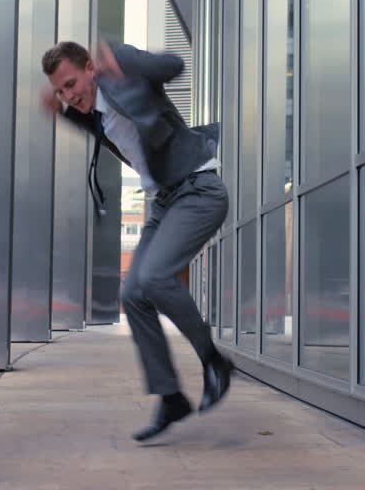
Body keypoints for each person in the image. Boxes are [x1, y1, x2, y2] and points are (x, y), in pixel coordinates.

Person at [40, 40, 233, 442]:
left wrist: (124, 60)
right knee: (133, 294)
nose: (69, 95)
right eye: (61, 90)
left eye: (72, 83)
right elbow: (86, 119)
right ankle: (170, 395)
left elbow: (175, 64)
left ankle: (214, 362)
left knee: (158, 277)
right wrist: (58, 112)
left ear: (92, 67)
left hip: (198, 188)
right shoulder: (92, 112)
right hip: (166, 201)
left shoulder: (122, 73)